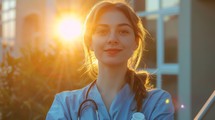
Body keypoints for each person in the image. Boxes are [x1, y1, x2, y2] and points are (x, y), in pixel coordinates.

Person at [46, 1, 175, 120]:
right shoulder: (65, 105)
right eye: (102, 31)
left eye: (123, 31)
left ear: (135, 42)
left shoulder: (157, 103)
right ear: (90, 42)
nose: (112, 39)